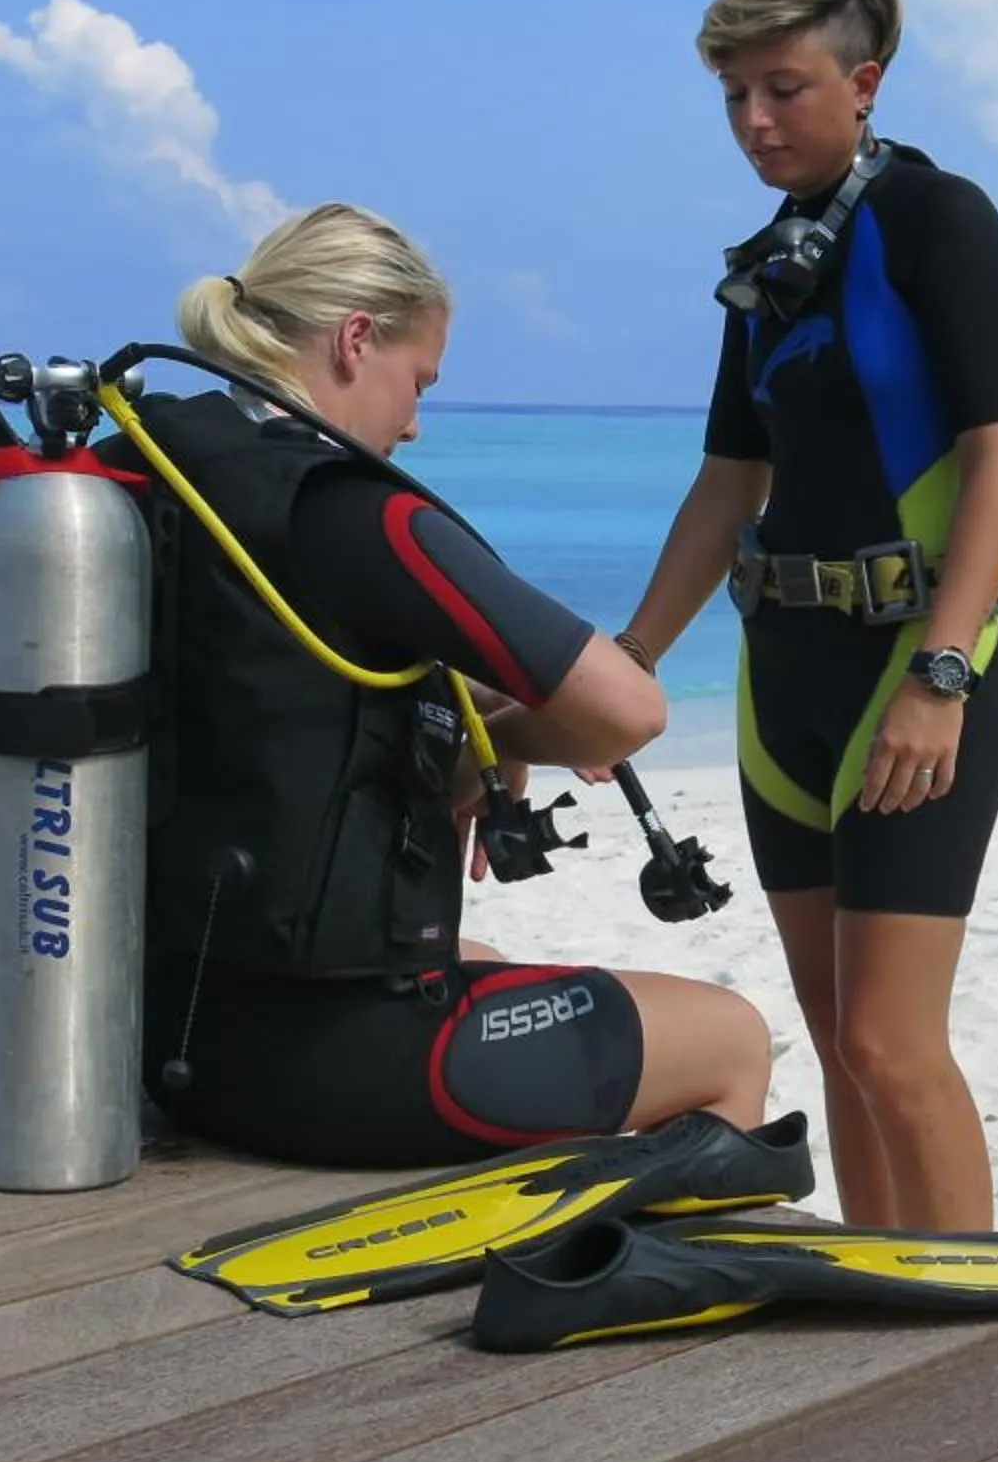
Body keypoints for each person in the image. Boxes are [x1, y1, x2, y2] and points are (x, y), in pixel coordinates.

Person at [119, 203, 774, 1169]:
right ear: (354, 342)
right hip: (316, 1067)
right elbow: (625, 713)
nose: (416, 424)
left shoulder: (141, 475)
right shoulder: (352, 516)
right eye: (417, 382)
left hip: (160, 1027)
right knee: (728, 1037)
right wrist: (504, 743)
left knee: (497, 971)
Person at [611, 0, 998, 1232]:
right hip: (781, 683)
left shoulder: (939, 220)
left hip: (913, 681)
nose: (753, 122)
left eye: (782, 89)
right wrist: (622, 669)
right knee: (838, 1038)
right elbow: (726, 484)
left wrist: (942, 674)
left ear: (865, 82)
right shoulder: (770, 264)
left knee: (898, 1045)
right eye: (734, 95)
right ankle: (879, 1283)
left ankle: (969, 1326)